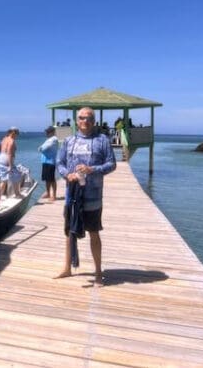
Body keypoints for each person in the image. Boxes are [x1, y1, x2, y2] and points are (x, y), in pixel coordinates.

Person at [56, 107, 116, 287]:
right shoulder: (68, 141)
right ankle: (67, 268)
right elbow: (60, 163)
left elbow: (111, 164)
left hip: (93, 196)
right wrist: (68, 175)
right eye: (81, 118)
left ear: (94, 121)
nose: (85, 121)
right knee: (69, 232)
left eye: (88, 118)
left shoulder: (102, 140)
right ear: (76, 121)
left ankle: (98, 273)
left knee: (94, 233)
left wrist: (92, 170)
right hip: (72, 195)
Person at [0, 127, 22, 202]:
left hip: (0, 158)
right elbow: (10, 153)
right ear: (13, 133)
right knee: (17, 175)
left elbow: (2, 149)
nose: (17, 136)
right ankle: (17, 194)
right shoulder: (12, 141)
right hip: (6, 160)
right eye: (16, 134)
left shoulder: (4, 138)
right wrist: (10, 165)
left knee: (4, 180)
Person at [38, 126, 58, 202]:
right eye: (46, 132)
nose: (46, 133)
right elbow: (41, 148)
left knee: (52, 179)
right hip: (45, 161)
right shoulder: (48, 139)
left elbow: (43, 148)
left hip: (50, 161)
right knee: (47, 179)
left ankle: (54, 195)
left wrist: (41, 148)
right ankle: (48, 193)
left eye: (48, 132)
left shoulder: (54, 139)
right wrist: (41, 148)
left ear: (52, 132)